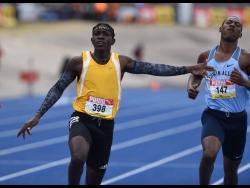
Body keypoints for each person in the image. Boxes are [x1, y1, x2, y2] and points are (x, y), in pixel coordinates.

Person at [17, 23, 212, 185]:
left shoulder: (122, 62)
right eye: (97, 34)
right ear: (92, 40)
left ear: (113, 40)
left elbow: (154, 69)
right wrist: (37, 116)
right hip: (81, 119)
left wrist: (188, 68)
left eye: (105, 34)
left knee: (94, 180)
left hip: (106, 127)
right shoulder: (78, 62)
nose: (100, 37)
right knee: (78, 156)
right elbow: (57, 88)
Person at [187, 16, 250, 185]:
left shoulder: (245, 59)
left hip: (238, 120)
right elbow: (195, 75)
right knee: (209, 154)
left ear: (240, 34)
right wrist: (192, 87)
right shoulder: (206, 56)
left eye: (237, 25)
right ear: (220, 29)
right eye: (228, 23)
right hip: (214, 116)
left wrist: (245, 82)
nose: (232, 25)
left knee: (230, 171)